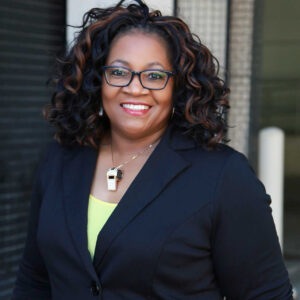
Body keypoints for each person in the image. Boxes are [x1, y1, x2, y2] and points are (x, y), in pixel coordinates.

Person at [12, 0, 294, 299]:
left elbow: (267, 295)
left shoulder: (223, 177)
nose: (135, 88)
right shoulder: (60, 160)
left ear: (178, 87)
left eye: (155, 76)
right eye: (119, 72)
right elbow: (35, 281)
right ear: (97, 81)